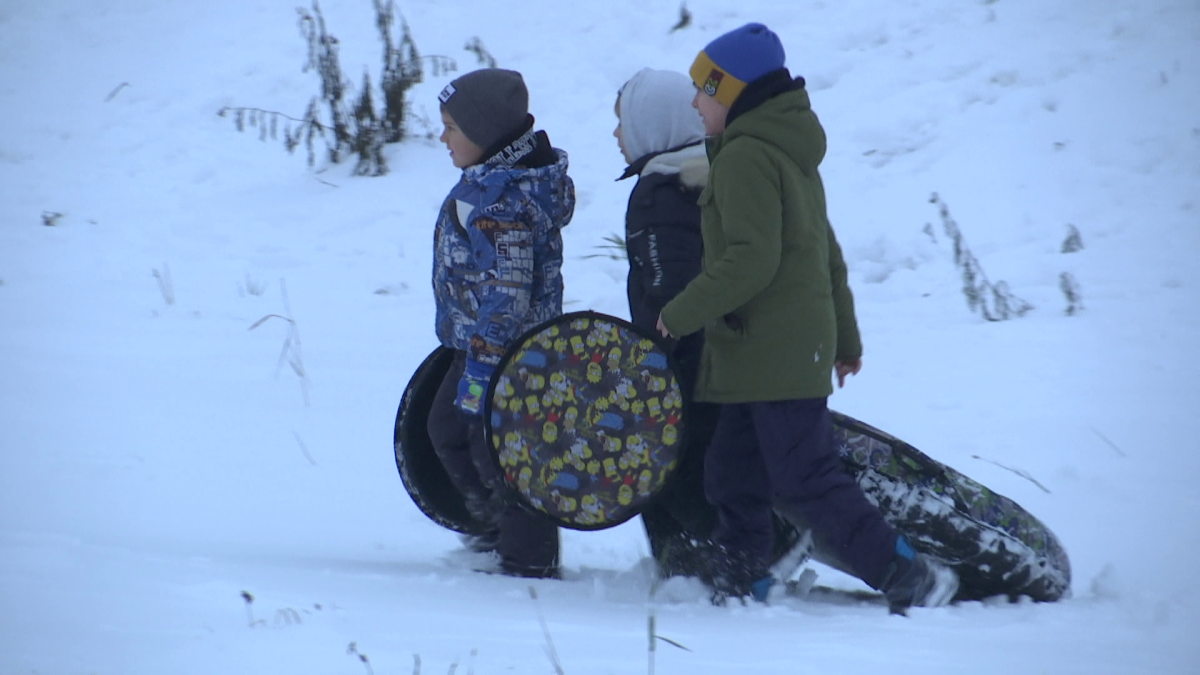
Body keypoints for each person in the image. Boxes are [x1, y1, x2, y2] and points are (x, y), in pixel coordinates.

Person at [656, 23, 958, 612]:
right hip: (763, 352)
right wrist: (843, 337)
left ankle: (907, 573)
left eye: (703, 91)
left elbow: (751, 259)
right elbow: (825, 254)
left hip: (773, 352)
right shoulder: (785, 152)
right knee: (730, 473)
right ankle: (744, 580)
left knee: (803, 477)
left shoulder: (746, 156)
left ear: (733, 91)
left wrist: (682, 311)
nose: (695, 103)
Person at [426, 68, 575, 579]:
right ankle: (494, 531)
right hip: (476, 346)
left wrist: (484, 370)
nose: (442, 137)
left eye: (451, 127)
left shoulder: (502, 202)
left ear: (484, 133)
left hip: (506, 353)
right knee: (446, 428)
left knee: (502, 451)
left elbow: (508, 297)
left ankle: (529, 558)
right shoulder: (487, 185)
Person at [611, 68, 720, 571]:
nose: (616, 135)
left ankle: (699, 556)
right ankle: (689, 561)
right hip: (714, 352)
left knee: (654, 466)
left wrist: (658, 358)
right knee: (691, 463)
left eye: (622, 124)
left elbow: (670, 280)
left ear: (651, 126)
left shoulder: (660, 193)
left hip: (681, 356)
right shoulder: (704, 176)